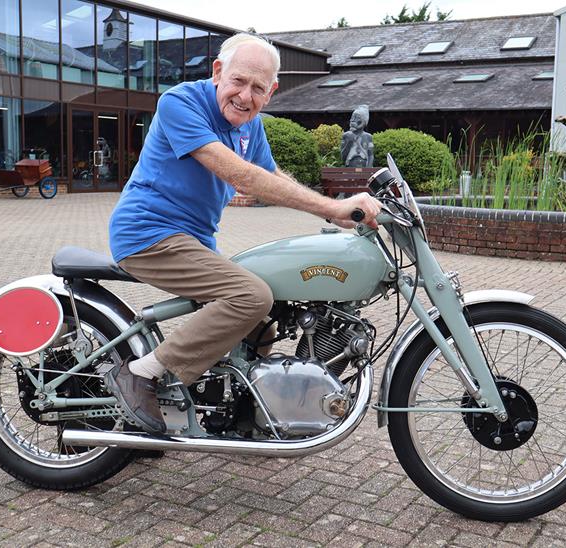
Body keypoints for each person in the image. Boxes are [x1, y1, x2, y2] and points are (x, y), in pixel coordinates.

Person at [106, 33, 382, 435]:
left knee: (265, 315)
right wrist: (328, 206)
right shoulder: (180, 102)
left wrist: (337, 213)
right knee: (251, 296)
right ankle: (142, 374)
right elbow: (239, 174)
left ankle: (243, 414)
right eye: (238, 81)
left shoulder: (250, 127)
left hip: (194, 240)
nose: (244, 95)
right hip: (148, 234)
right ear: (218, 72)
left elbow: (269, 175)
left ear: (270, 93)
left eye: (257, 88)